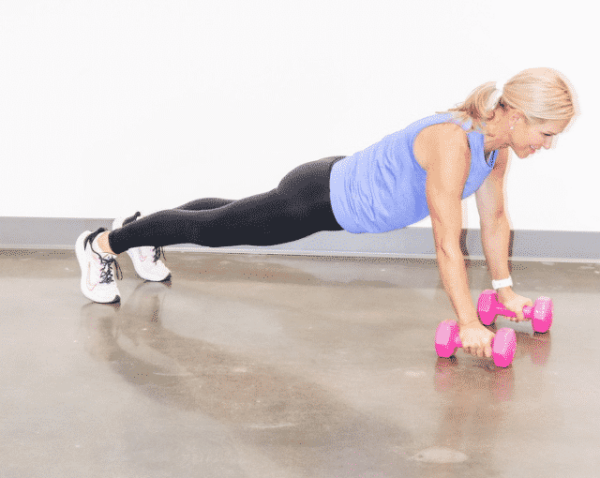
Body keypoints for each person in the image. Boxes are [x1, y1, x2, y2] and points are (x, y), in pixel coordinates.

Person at [76, 67, 577, 361]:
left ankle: (141, 230)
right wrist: (468, 322)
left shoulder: (496, 150)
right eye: (546, 132)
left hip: (331, 189)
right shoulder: (454, 144)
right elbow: (448, 241)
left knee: (227, 216)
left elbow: (495, 221)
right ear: (514, 114)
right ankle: (101, 245)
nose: (547, 145)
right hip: (317, 200)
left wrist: (504, 287)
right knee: (216, 230)